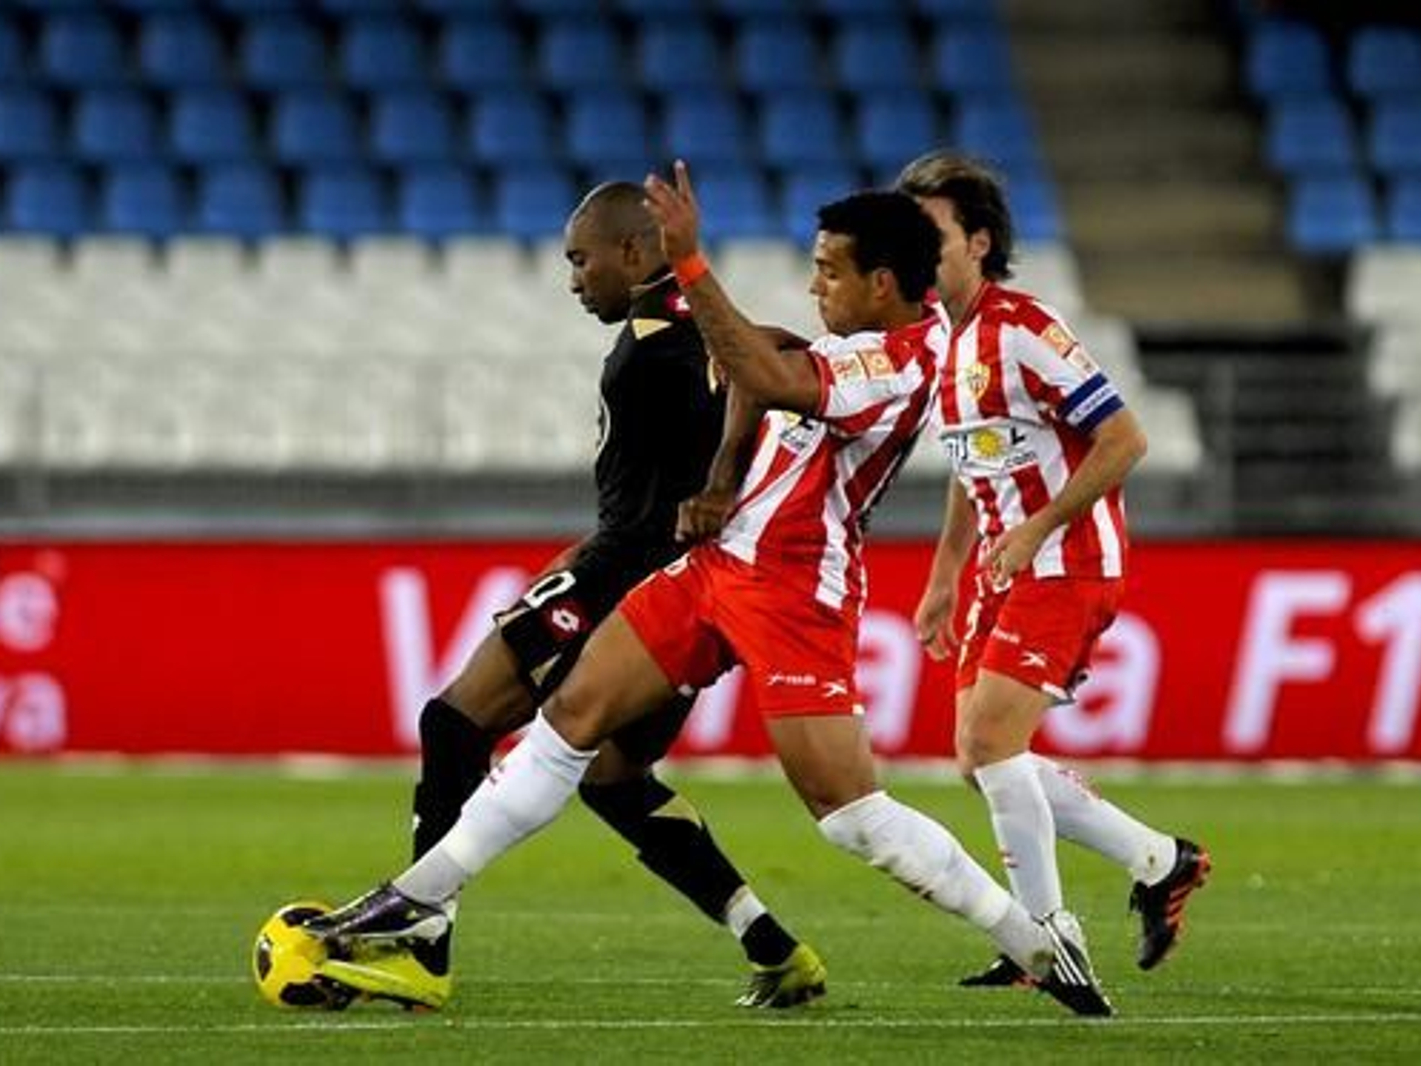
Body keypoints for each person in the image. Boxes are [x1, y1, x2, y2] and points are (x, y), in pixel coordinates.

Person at [307, 163, 1114, 1018]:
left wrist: (691, 265)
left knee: (851, 818)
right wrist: (725, 472)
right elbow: (757, 366)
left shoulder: (905, 363)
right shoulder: (848, 342)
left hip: (795, 592)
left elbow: (770, 378)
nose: (814, 284)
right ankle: (419, 899)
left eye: (829, 270)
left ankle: (1033, 940)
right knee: (570, 722)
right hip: (715, 567)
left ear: (883, 284)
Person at [319, 182, 823, 1011]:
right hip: (688, 590)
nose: (574, 278)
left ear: (635, 252)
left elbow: (664, 491)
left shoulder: (664, 346)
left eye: (581, 259)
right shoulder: (716, 339)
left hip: (629, 576)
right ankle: (774, 947)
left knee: (454, 721)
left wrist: (609, 556)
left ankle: (422, 941)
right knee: (614, 778)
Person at [896, 151, 1211, 989]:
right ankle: (1157, 860)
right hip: (1007, 569)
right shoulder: (944, 340)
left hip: (1067, 561)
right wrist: (943, 577)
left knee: (992, 742)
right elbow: (976, 464)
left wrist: (1040, 525)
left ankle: (1044, 938)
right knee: (977, 759)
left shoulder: (1025, 330)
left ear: (979, 241)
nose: (915, 247)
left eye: (931, 232)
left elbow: (1125, 440)